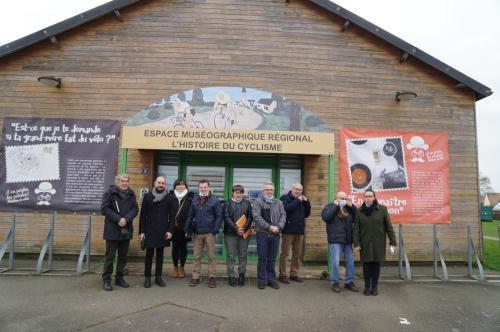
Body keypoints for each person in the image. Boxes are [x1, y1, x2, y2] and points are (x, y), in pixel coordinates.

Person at [353, 190, 397, 296]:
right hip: (365, 243)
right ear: (364, 198)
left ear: (374, 197)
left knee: (376, 265)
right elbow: (356, 229)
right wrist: (357, 244)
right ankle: (367, 287)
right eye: (366, 196)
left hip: (378, 242)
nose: (368, 198)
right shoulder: (359, 211)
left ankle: (375, 287)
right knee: (366, 265)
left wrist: (393, 242)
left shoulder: (382, 209)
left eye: (370, 196)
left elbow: (388, 227)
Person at [101, 174, 138, 291]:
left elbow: (135, 209)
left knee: (123, 256)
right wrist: (118, 219)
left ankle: (119, 278)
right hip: (112, 230)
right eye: (122, 181)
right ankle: (107, 279)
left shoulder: (131, 194)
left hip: (125, 230)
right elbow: (105, 208)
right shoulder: (109, 193)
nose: (125, 183)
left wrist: (126, 219)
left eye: (127, 181)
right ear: (117, 182)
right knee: (110, 257)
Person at [185, 179, 222, 288]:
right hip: (197, 233)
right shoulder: (194, 200)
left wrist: (214, 230)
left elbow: (219, 216)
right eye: (201, 187)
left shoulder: (215, 201)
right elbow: (190, 216)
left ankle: (212, 278)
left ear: (209, 188)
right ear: (198, 188)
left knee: (211, 257)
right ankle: (195, 277)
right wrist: (187, 229)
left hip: (210, 233)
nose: (203, 189)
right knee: (196, 256)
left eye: (205, 187)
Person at [321, 191, 358, 293]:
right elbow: (326, 217)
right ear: (336, 198)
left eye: (345, 198)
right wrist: (335, 206)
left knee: (350, 261)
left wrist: (351, 206)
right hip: (335, 240)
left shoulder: (348, 208)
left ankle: (349, 282)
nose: (343, 200)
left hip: (347, 240)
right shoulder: (329, 206)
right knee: (335, 262)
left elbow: (357, 217)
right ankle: (335, 282)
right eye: (341, 198)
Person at [139, 176, 172, 288]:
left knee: (160, 256)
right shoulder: (148, 196)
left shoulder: (169, 197)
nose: (161, 185)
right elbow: (143, 215)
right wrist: (142, 231)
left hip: (163, 231)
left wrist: (170, 230)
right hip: (149, 230)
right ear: (155, 183)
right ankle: (147, 278)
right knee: (149, 255)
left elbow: (172, 216)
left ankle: (158, 277)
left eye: (163, 183)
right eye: (159, 182)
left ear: (165, 185)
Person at [252, 181, 286, 290]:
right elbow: (257, 217)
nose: (269, 191)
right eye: (267, 189)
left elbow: (283, 215)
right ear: (263, 191)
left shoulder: (278, 202)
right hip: (262, 234)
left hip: (276, 234)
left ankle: (272, 280)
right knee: (262, 258)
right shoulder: (258, 202)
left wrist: (279, 227)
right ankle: (262, 280)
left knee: (272, 259)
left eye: (271, 189)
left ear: (274, 191)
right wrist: (269, 227)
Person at [279, 183, 311, 283]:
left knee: (297, 254)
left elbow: (307, 214)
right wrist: (298, 200)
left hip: (299, 231)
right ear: (292, 189)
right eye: (296, 189)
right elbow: (286, 209)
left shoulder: (302, 200)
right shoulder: (285, 198)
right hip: (288, 231)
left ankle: (294, 274)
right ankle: (282, 275)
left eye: (299, 190)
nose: (297, 191)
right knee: (285, 254)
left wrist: (307, 202)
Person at [223, 184, 253, 287]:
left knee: (243, 255)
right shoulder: (227, 203)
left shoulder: (247, 203)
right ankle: (231, 275)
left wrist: (243, 228)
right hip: (230, 233)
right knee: (231, 255)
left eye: (240, 192)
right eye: (236, 192)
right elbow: (226, 217)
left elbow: (250, 217)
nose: (238, 194)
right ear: (233, 193)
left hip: (244, 233)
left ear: (243, 193)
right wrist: (236, 229)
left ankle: (241, 275)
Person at [168, 179, 195, 279]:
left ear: (186, 187)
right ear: (175, 186)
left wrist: (190, 227)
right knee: (175, 248)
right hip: (173, 227)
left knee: (183, 248)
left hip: (185, 227)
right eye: (178, 185)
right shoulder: (170, 196)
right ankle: (175, 268)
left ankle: (182, 268)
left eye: (183, 185)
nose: (180, 186)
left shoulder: (190, 197)